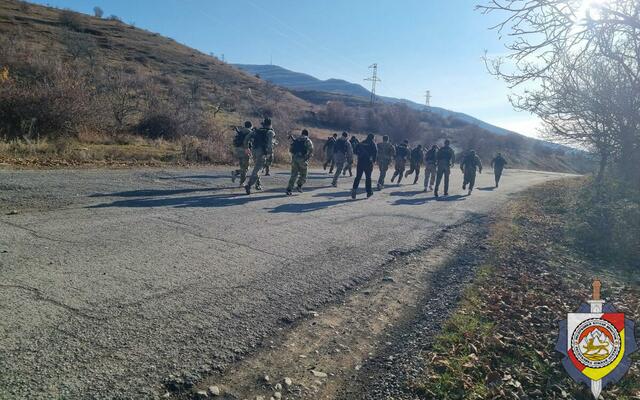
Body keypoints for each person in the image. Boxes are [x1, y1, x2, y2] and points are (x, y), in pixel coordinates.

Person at [243, 118, 275, 195]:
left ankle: (258, 184)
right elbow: (270, 144)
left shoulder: (256, 131)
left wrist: (246, 148)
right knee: (258, 169)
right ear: (270, 124)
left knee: (257, 167)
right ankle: (249, 185)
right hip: (262, 152)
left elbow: (246, 139)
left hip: (254, 151)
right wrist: (269, 153)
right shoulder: (270, 132)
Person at [286, 129, 314, 195]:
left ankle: (289, 189)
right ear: (307, 134)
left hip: (294, 159)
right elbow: (311, 150)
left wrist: (293, 156)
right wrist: (307, 158)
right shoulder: (307, 140)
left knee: (294, 175)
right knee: (304, 175)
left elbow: (291, 149)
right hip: (302, 159)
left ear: (302, 133)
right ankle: (299, 186)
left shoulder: (297, 139)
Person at [351, 133, 378, 199]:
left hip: (360, 162)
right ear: (372, 138)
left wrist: (359, 155)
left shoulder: (361, 143)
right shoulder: (373, 144)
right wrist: (374, 160)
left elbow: (354, 150)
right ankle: (369, 192)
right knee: (368, 178)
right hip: (368, 163)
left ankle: (354, 190)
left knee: (358, 177)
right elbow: (375, 152)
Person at [231, 121, 253, 186]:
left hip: (238, 150)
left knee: (242, 166)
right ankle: (241, 181)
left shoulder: (240, 131)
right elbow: (251, 141)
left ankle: (237, 174)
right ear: (251, 126)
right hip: (245, 150)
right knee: (246, 168)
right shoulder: (250, 132)